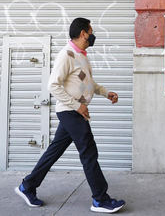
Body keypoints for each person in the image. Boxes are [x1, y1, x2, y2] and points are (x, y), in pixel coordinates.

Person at [15, 17, 125, 214]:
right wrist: (76, 106)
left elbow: (88, 84)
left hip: (74, 112)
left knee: (54, 151)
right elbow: (52, 86)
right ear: (83, 33)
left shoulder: (81, 55)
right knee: (89, 152)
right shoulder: (66, 55)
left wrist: (106, 93)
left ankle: (27, 186)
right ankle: (100, 199)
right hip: (70, 112)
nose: (92, 35)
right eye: (90, 31)